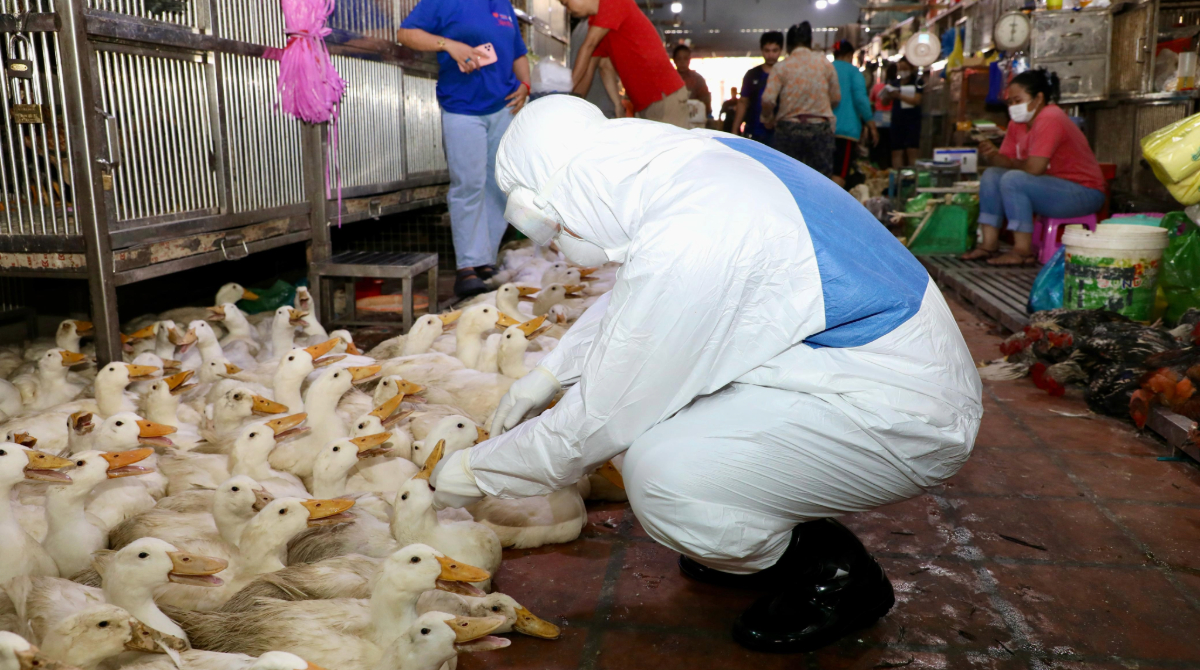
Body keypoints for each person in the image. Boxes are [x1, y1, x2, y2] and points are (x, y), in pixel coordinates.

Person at [430, 96, 983, 654]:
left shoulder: (697, 230)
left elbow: (594, 421)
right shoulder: (692, 166)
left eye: (549, 222)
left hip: (902, 409)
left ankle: (832, 572)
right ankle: (748, 536)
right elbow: (641, 298)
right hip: (847, 367)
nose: (555, 238)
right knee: (650, 421)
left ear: (567, 190)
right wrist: (548, 376)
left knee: (663, 478)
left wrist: (475, 472)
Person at [396, 0, 531, 298]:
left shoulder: (503, 6)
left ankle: (484, 261)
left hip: (505, 108)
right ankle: (467, 267)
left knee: (499, 186)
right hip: (462, 108)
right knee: (468, 183)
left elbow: (518, 52)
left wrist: (526, 84)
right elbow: (406, 33)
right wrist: (448, 45)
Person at [963, 69, 1106, 266]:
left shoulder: (1050, 117)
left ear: (1038, 98)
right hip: (1050, 189)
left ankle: (1022, 251)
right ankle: (988, 244)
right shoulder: (1017, 124)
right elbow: (1005, 163)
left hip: (1083, 193)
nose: (1013, 107)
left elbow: (1034, 169)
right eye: (1010, 102)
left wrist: (1009, 163)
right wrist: (993, 155)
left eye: (1018, 100)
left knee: (1013, 179)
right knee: (991, 175)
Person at [561, 0, 689, 127]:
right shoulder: (597, 23)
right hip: (643, 103)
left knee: (673, 147)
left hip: (664, 96)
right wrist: (616, 103)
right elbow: (604, 66)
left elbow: (588, 46)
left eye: (566, 3)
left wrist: (567, 88)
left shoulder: (613, 2)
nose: (567, 10)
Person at [761, 22, 841, 176]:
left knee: (788, 179)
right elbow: (836, 97)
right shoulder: (825, 64)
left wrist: (767, 117)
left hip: (788, 130)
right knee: (820, 181)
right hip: (820, 130)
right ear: (810, 42)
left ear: (788, 46)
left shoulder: (781, 67)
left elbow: (768, 100)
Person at [831, 40, 876, 188]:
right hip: (846, 130)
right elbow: (860, 99)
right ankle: (833, 209)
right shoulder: (853, 71)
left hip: (824, 130)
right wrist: (871, 123)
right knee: (840, 174)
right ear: (850, 55)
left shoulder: (827, 69)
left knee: (826, 173)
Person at [732, 31, 784, 143]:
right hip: (754, 133)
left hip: (780, 135)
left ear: (780, 50)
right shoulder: (752, 75)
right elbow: (743, 102)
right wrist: (735, 129)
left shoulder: (786, 74)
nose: (770, 55)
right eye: (767, 50)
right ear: (761, 50)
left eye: (775, 50)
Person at [570, 19, 623, 118]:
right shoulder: (596, 28)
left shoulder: (582, 27)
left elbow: (604, 65)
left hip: (589, 105)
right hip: (598, 104)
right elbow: (591, 67)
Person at [884, 58, 922, 168]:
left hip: (912, 121)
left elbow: (917, 100)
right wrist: (888, 95)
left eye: (905, 68)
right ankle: (897, 178)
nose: (902, 71)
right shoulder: (894, 83)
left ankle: (913, 177)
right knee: (896, 151)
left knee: (912, 150)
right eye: (900, 68)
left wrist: (899, 96)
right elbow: (885, 102)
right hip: (897, 120)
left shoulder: (917, 82)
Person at [673, 44, 712, 118]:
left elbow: (706, 103)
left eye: (685, 58)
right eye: (679, 59)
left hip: (693, 119)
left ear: (689, 60)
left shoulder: (698, 79)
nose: (682, 62)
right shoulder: (669, 79)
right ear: (674, 60)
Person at [869, 62, 894, 168]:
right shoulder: (895, 88)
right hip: (891, 119)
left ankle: (877, 166)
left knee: (878, 144)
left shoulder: (877, 87)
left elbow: (871, 104)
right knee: (889, 146)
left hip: (878, 119)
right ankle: (887, 167)